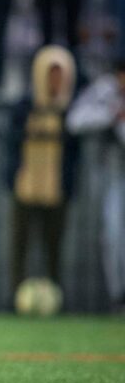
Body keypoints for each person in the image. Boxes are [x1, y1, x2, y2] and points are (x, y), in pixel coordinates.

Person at [5, 45, 80, 304]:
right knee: (20, 245)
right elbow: (10, 143)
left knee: (54, 246)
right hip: (26, 184)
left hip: (56, 187)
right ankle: (15, 297)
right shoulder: (24, 106)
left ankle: (56, 297)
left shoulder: (72, 110)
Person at [67, 60, 125, 311]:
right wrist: (112, 116)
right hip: (113, 174)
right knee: (113, 234)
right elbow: (75, 120)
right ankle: (118, 295)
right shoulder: (104, 90)